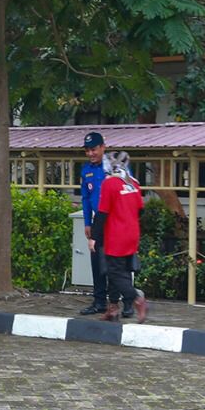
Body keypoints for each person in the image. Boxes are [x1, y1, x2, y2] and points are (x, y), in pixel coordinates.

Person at [93, 159, 148, 322]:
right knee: (122, 270)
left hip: (115, 235)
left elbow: (102, 213)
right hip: (132, 233)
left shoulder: (109, 184)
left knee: (115, 272)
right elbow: (140, 210)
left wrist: (94, 237)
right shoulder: (134, 184)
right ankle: (114, 308)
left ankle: (137, 298)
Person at [78, 131, 110, 315]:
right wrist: (87, 223)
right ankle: (99, 302)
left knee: (115, 263)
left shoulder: (113, 168)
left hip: (113, 219)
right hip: (97, 221)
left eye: (94, 149)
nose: (91, 154)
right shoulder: (86, 170)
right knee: (96, 261)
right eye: (88, 150)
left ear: (103, 147)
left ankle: (123, 302)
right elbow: (85, 198)